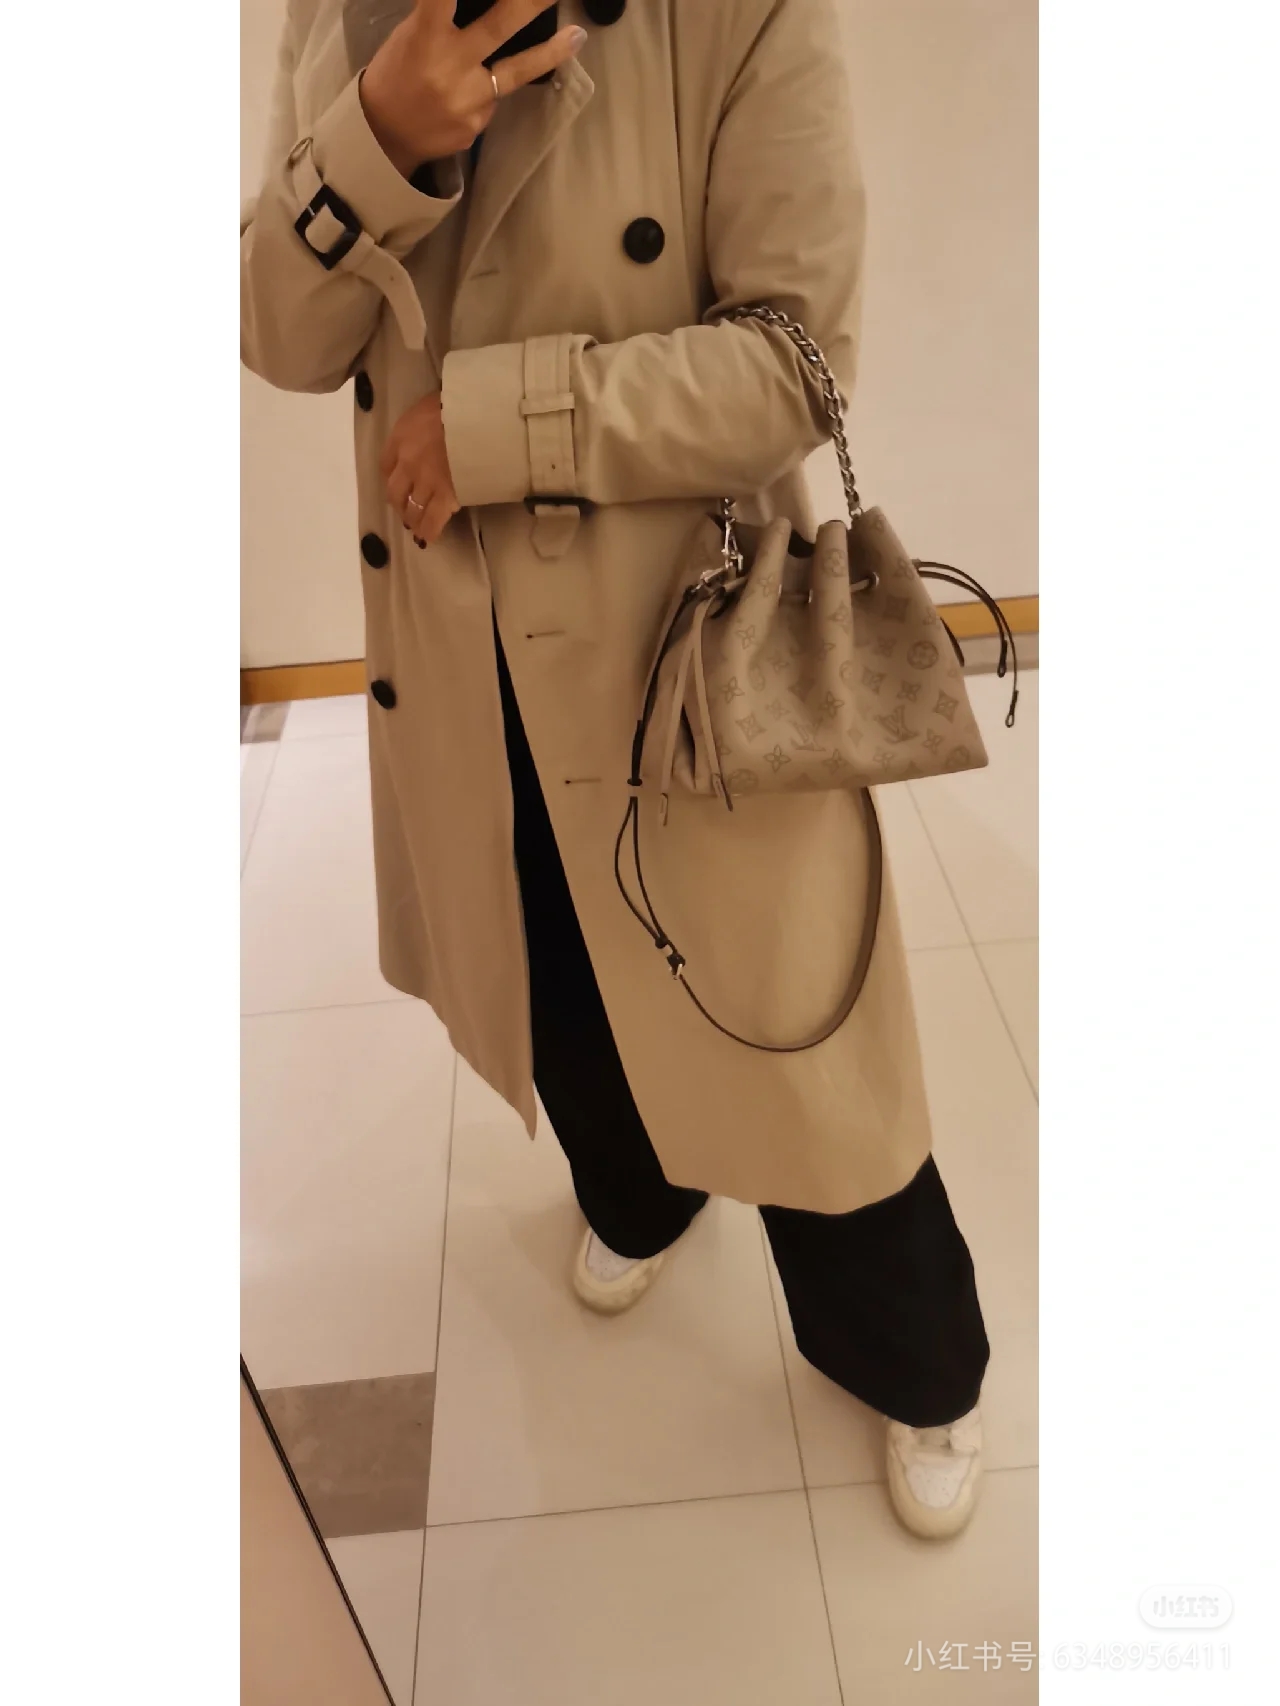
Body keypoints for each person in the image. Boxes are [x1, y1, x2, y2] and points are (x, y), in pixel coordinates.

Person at [241, 0, 989, 1540]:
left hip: (677, 649)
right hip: (456, 653)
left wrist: (502, 423)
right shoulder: (336, 12)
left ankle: (916, 1361)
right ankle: (644, 1193)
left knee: (791, 1035)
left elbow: (799, 362)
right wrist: (381, 135)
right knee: (557, 977)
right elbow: (281, 331)